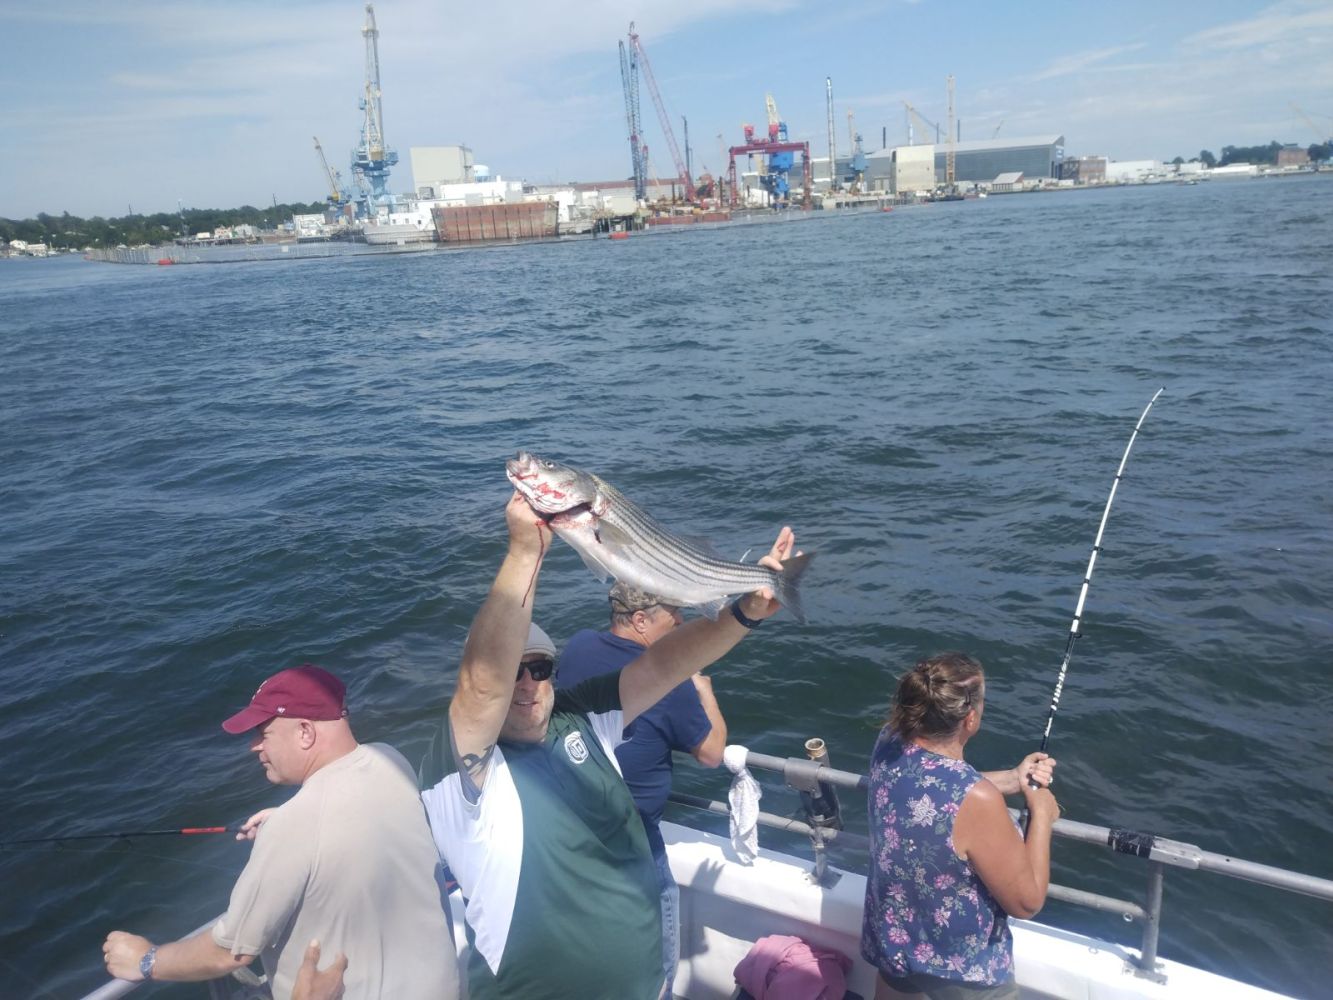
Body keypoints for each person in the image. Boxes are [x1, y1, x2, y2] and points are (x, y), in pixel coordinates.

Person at [419, 491, 795, 1000]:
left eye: (540, 669)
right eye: (513, 672)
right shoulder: (461, 771)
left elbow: (665, 665)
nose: (526, 684)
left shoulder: (582, 716)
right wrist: (525, 552)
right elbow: (482, 685)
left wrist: (746, 611)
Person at [102, 665, 458, 1000]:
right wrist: (287, 819)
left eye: (263, 733)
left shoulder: (294, 826)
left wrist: (147, 960)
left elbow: (231, 952)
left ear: (305, 732)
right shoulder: (389, 759)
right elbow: (349, 814)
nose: (254, 746)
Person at [557, 581, 728, 993]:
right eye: (675, 613)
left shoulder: (578, 645)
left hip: (572, 833)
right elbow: (712, 753)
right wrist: (704, 691)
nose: (683, 621)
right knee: (656, 969)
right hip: (632, 845)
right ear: (639, 620)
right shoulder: (671, 682)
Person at [861, 652, 1059, 1000]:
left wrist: (1013, 778)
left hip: (892, 941)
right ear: (970, 719)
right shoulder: (977, 799)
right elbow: (1026, 903)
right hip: (958, 966)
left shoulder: (890, 741)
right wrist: (1042, 815)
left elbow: (932, 786)